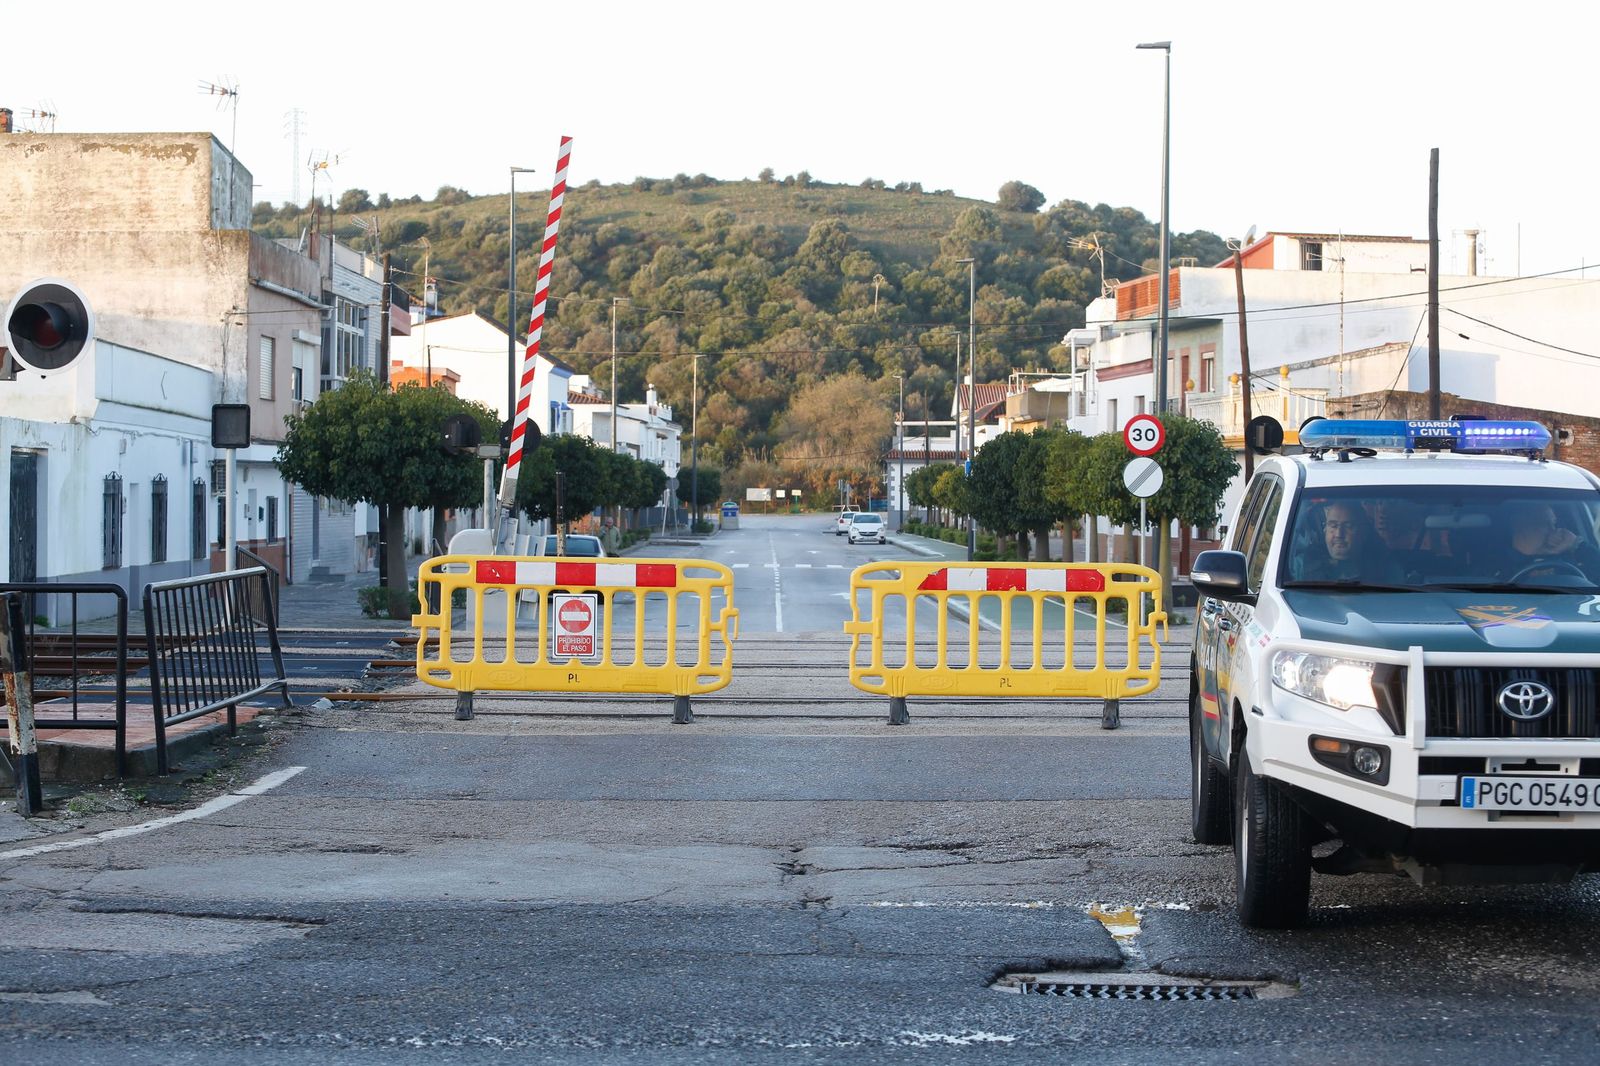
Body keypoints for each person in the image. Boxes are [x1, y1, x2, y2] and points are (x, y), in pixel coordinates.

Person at [1295, 501, 1398, 582]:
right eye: (1333, 525)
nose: (1339, 534)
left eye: (1348, 526)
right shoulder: (1298, 567)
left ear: (1364, 532)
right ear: (1325, 529)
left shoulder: (1387, 570)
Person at [1504, 504, 1600, 582]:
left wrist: (1577, 544)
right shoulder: (1497, 561)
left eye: (1553, 523)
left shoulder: (1568, 558)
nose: (1553, 530)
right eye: (1544, 524)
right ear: (1520, 527)